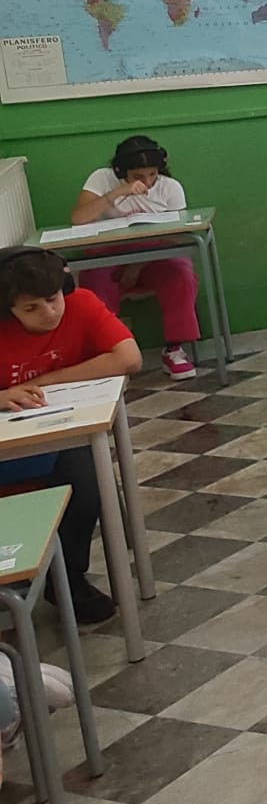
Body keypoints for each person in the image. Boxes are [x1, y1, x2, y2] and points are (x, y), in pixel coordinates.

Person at [0, 247, 143, 625]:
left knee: (85, 481)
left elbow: (129, 358)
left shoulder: (82, 303)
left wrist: (47, 380)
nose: (49, 313)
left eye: (53, 299)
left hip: (59, 435)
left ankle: (67, 579)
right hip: (8, 446)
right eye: (31, 308)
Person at [69, 135, 201, 382]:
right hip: (108, 254)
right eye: (138, 176)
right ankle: (109, 353)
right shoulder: (101, 178)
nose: (147, 182)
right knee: (93, 280)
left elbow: (178, 235)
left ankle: (174, 349)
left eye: (152, 174)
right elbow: (78, 218)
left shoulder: (170, 187)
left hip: (153, 256)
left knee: (181, 272)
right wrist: (117, 192)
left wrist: (136, 267)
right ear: (121, 171)